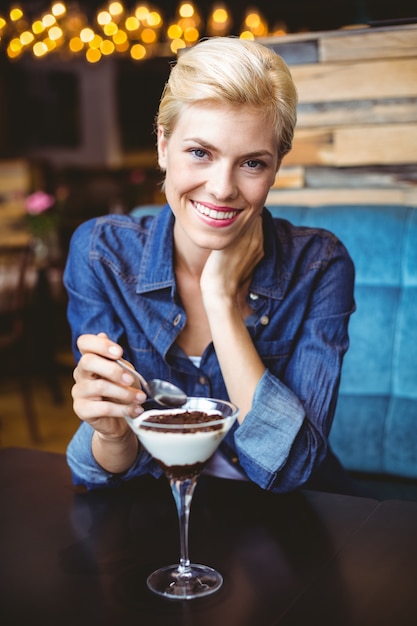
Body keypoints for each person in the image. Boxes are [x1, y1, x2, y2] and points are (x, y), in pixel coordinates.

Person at [64, 36, 356, 494]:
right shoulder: (101, 254)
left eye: (252, 163)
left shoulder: (319, 265)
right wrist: (109, 432)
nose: (221, 189)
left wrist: (219, 299)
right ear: (163, 145)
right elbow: (103, 473)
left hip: (294, 524)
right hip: (162, 522)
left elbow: (294, 467)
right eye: (200, 152)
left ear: (276, 166)